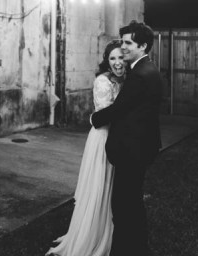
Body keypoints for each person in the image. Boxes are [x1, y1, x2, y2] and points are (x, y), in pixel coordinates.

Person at [46, 40, 126, 256]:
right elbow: (105, 116)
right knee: (99, 187)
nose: (117, 62)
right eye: (112, 58)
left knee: (112, 189)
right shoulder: (103, 81)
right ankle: (91, 235)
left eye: (120, 57)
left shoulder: (126, 81)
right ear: (107, 62)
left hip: (118, 139)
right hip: (103, 139)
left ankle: (110, 231)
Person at [91, 20, 163, 256]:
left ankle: (124, 250)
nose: (123, 47)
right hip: (142, 147)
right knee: (133, 203)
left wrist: (95, 119)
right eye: (122, 42)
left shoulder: (140, 75)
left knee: (123, 207)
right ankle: (139, 248)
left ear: (142, 46)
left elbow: (119, 109)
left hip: (132, 150)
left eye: (128, 43)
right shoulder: (148, 69)